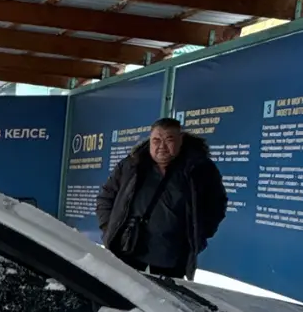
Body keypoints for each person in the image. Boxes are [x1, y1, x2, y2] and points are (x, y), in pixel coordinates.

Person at [95, 117, 227, 280]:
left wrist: (198, 235)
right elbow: (106, 196)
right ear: (150, 140)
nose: (162, 146)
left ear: (181, 140)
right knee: (120, 288)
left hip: (171, 255)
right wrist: (109, 227)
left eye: (169, 140)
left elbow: (216, 205)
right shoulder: (132, 165)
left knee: (163, 295)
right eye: (156, 140)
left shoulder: (199, 169)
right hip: (128, 247)